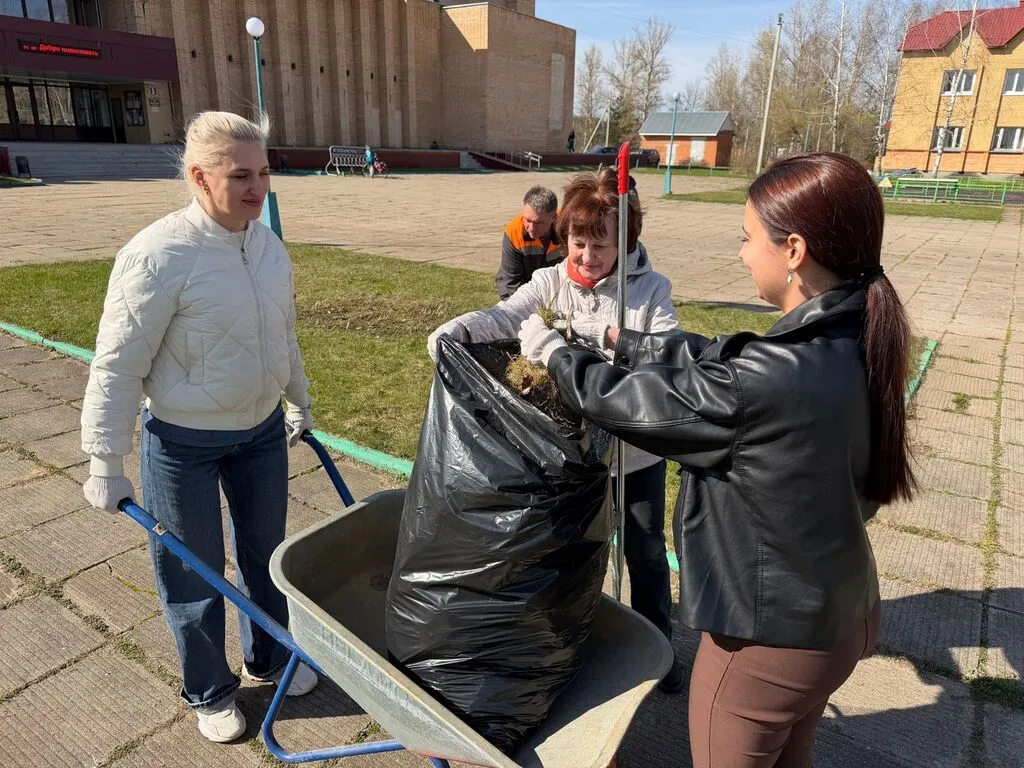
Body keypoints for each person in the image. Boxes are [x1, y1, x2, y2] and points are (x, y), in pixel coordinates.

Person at [517, 152, 914, 767]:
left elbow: (633, 404)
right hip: (841, 612)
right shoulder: (853, 330)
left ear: (794, 250)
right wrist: (622, 339)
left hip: (768, 642)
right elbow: (727, 358)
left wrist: (555, 355)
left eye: (747, 237)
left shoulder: (770, 380)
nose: (742, 253)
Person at [80, 110, 319, 745]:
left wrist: (297, 401)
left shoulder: (267, 246)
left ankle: (270, 657)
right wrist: (104, 458)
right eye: (240, 175)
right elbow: (117, 363)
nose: (257, 187)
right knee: (193, 571)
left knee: (267, 555)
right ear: (198, 177)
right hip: (183, 442)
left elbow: (283, 336)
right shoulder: (156, 255)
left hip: (260, 434)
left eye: (263, 172)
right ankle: (210, 689)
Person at [429, 169, 686, 693]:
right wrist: (461, 328)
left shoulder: (650, 290)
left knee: (645, 552)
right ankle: (568, 639)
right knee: (570, 550)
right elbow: (506, 315)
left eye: (601, 245)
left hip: (635, 455)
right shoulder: (550, 283)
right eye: (578, 242)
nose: (587, 257)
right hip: (568, 455)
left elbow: (667, 354)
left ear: (625, 241)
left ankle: (658, 646)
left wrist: (610, 336)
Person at [495, 185, 565, 300]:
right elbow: (511, 282)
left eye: (538, 223)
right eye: (527, 220)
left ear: (553, 217)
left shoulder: (568, 227)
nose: (531, 228)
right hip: (520, 289)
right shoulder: (514, 231)